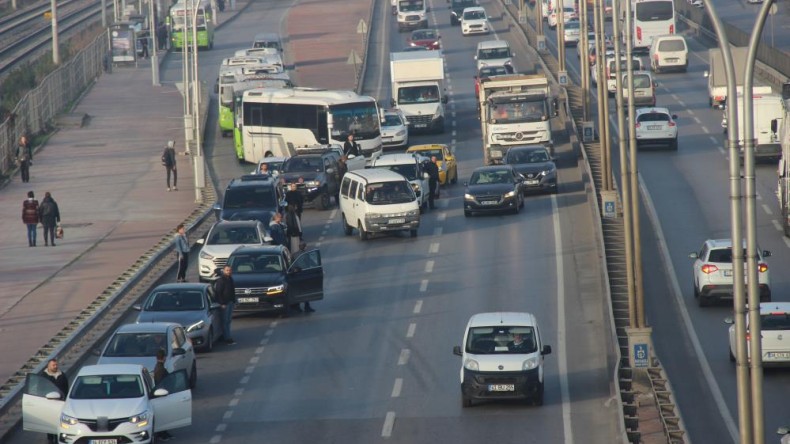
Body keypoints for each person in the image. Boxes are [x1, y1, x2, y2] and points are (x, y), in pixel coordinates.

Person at [41, 358, 68, 444]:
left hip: (60, 403)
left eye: (56, 365)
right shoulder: (44, 376)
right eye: (53, 365)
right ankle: (50, 439)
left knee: (59, 422)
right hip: (48, 403)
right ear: (48, 366)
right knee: (49, 422)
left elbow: (66, 388)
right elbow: (40, 389)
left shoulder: (62, 375)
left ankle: (58, 438)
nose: (55, 366)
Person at [151, 350, 173, 441]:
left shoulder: (158, 367)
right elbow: (160, 383)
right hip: (161, 395)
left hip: (161, 394)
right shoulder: (160, 369)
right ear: (164, 357)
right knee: (163, 415)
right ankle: (162, 434)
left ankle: (164, 433)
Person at [214, 265, 236, 344]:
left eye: (230, 270)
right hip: (225, 304)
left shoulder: (230, 279)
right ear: (224, 271)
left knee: (228, 320)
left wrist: (234, 301)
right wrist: (222, 303)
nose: (229, 272)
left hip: (230, 302)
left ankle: (227, 336)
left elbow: (232, 291)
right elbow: (218, 293)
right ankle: (227, 338)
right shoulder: (221, 280)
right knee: (225, 321)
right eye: (227, 270)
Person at [292, 242, 315, 313]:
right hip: (304, 275)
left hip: (295, 276)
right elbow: (311, 263)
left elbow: (292, 265)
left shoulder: (294, 254)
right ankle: (307, 307)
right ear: (305, 247)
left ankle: (297, 307)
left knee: (298, 291)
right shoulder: (306, 255)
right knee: (305, 292)